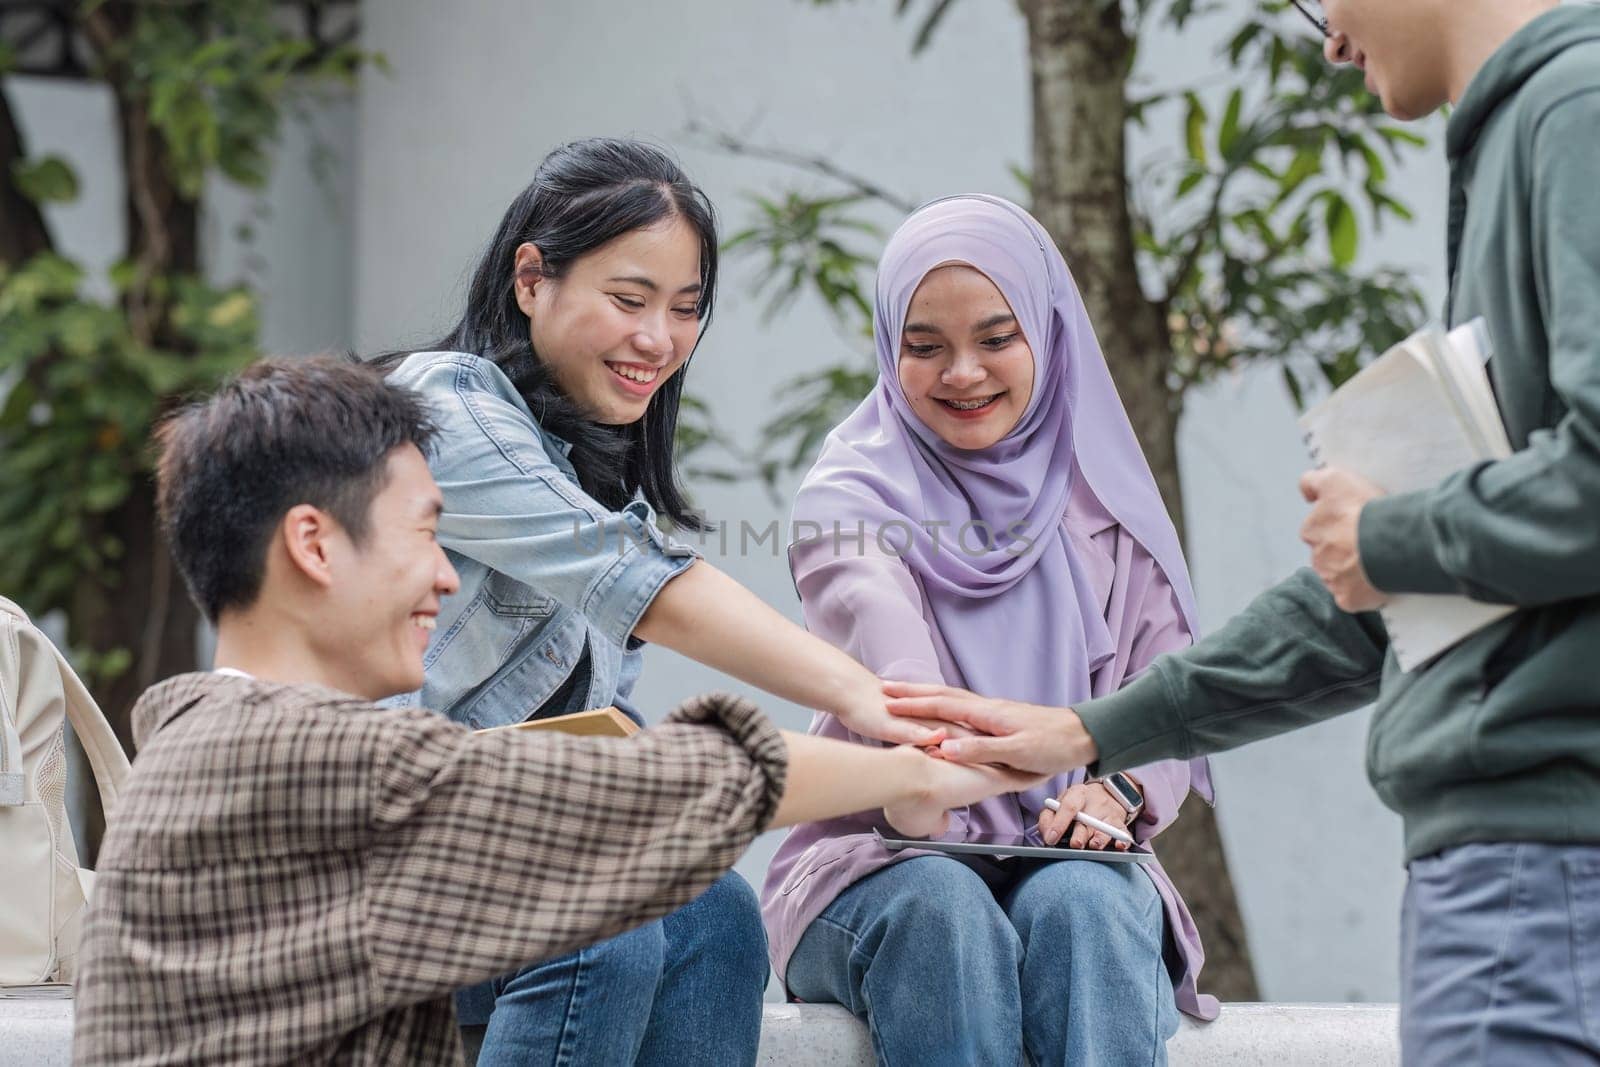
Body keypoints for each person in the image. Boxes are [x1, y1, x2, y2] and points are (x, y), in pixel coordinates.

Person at [885, 4, 1600, 1063]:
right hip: (1512, 861)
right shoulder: (1526, 129)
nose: (1331, 40)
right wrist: (1086, 733)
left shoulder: (1569, 111)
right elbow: (1379, 601)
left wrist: (1393, 534)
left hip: (1543, 863)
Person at [71, 357, 1037, 1067]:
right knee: (607, 899)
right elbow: (660, 787)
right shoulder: (306, 759)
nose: (447, 576)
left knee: (706, 907)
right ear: (315, 546)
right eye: (427, 533)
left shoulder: (208, 734)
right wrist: (941, 765)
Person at [376, 138, 945, 1064]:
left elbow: (601, 726)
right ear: (531, 279)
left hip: (484, 870)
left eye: (686, 310)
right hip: (360, 869)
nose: (659, 340)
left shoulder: (598, 470)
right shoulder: (441, 413)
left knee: (718, 908)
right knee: (601, 915)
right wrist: (866, 696)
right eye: (629, 300)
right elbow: (644, 583)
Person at [760, 196, 1215, 1067]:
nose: (962, 372)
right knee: (943, 910)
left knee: (1084, 904)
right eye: (924, 346)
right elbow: (915, 749)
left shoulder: (1105, 501)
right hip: (878, 858)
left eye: (997, 338)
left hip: (1072, 859)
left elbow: (1168, 696)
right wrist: (1025, 759)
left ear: (1047, 333)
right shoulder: (850, 505)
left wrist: (1116, 792)